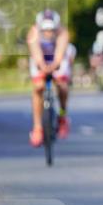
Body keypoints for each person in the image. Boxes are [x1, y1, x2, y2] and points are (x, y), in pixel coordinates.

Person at [26, 10, 75, 146]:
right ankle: (37, 128)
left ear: (56, 28)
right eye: (45, 30)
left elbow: (60, 54)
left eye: (51, 30)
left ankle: (62, 115)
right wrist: (42, 66)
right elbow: (36, 53)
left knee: (62, 87)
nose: (48, 33)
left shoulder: (63, 33)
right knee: (38, 87)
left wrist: (54, 66)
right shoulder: (33, 33)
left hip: (57, 58)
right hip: (41, 58)